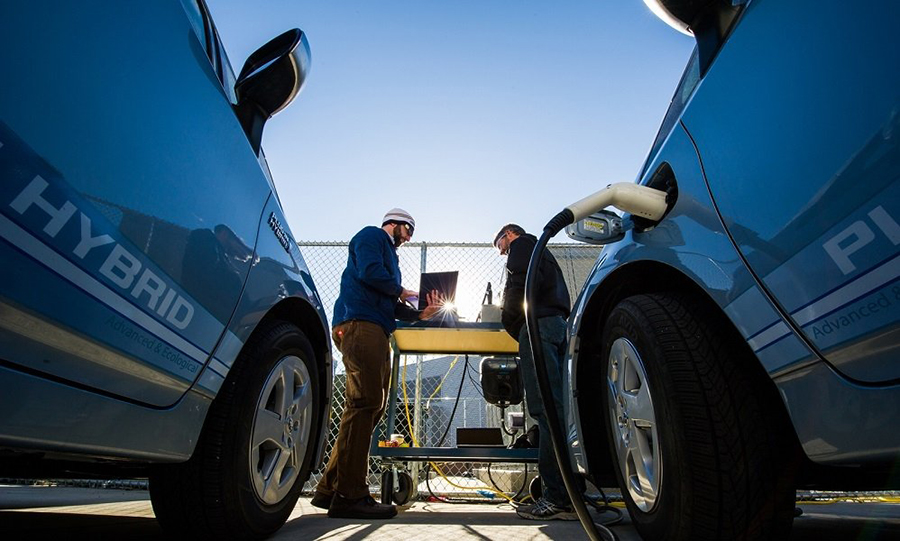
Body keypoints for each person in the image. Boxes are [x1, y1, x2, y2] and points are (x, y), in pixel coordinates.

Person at [313, 208, 440, 519]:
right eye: (408, 231)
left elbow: (386, 299)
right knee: (364, 403)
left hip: (374, 325)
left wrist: (419, 314)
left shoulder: (390, 258)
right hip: (360, 324)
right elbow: (370, 272)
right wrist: (401, 290)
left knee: (370, 407)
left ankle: (331, 488)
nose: (409, 238)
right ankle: (351, 495)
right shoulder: (372, 235)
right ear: (395, 224)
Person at [494, 223, 575, 521]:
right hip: (556, 326)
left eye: (499, 245)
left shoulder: (522, 245)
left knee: (545, 411)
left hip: (537, 327)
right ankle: (569, 493)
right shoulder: (544, 253)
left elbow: (518, 284)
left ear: (507, 235)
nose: (502, 253)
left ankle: (556, 498)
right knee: (559, 410)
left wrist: (510, 322)